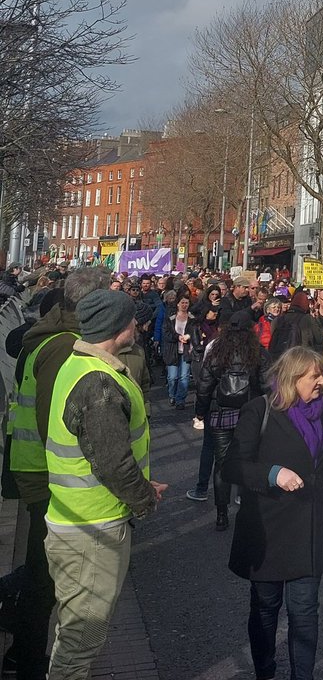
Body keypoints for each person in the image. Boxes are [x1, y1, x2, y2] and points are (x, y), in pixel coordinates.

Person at [224, 348, 323, 680]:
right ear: (293, 379)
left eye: (322, 375)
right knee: (266, 610)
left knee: (305, 611)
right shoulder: (259, 409)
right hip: (268, 528)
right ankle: (265, 671)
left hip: (307, 527)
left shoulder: (319, 411)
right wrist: (272, 473)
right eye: (314, 376)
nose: (322, 382)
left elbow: (318, 455)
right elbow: (232, 465)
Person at [43, 290, 166, 679]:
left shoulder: (78, 364)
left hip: (78, 523)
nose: (136, 325)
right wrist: (145, 498)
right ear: (118, 326)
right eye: (131, 320)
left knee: (73, 632)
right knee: (81, 643)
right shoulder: (98, 383)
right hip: (91, 533)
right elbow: (112, 462)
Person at [6, 265, 109, 680]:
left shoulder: (52, 336)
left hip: (40, 474)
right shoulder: (64, 346)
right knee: (47, 581)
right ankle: (28, 659)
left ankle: (25, 654)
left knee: (44, 575)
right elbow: (59, 419)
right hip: (51, 481)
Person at [193, 309, 272, 529]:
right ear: (250, 329)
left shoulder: (217, 351)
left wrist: (200, 411)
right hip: (250, 413)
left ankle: (221, 514)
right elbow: (268, 385)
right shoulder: (258, 352)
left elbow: (204, 385)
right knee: (250, 460)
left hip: (221, 413)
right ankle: (247, 507)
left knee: (222, 464)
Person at [160, 293, 197, 409]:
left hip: (186, 350)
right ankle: (172, 395)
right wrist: (177, 337)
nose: (184, 305)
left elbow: (196, 333)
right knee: (172, 377)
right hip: (173, 350)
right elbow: (166, 333)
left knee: (184, 376)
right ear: (177, 304)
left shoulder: (192, 318)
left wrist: (189, 337)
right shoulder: (170, 318)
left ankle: (180, 400)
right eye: (182, 303)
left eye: (186, 303)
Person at [268, 289, 323, 358]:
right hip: (300, 358)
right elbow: (320, 338)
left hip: (280, 358)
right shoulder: (308, 319)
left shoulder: (277, 320)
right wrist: (317, 319)